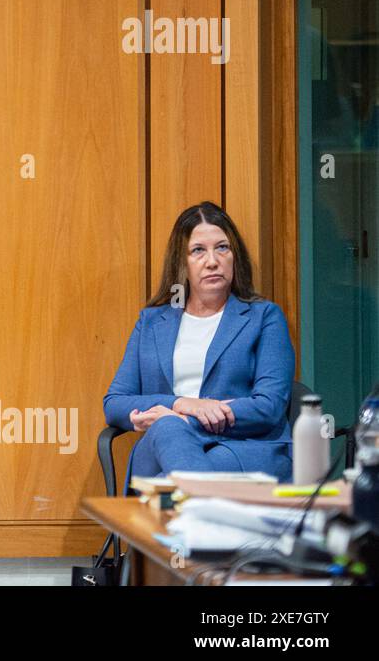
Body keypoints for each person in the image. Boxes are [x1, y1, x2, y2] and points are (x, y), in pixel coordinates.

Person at [104, 201, 294, 481]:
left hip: (240, 449)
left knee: (164, 487)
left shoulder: (264, 317)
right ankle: (201, 512)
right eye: (198, 251)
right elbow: (115, 403)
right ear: (182, 262)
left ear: (234, 256)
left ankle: (176, 513)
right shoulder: (152, 322)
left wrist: (186, 421)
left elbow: (268, 406)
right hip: (161, 447)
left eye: (222, 247)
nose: (212, 261)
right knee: (168, 431)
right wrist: (181, 404)